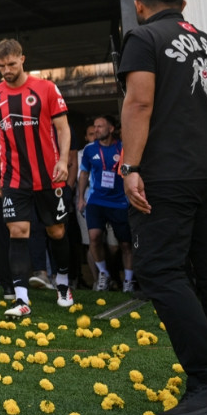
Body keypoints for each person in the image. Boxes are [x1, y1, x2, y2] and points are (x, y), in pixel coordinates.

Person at [118, 0, 207, 415]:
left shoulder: (143, 37)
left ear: (140, 5)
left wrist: (131, 167)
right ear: (184, 2)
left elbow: (139, 104)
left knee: (160, 270)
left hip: (172, 173)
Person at [0, 39, 73, 317]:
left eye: (11, 64)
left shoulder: (46, 88)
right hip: (14, 178)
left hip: (49, 175)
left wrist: (62, 160)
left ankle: (62, 283)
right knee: (17, 231)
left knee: (56, 231)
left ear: (23, 59)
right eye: (1, 66)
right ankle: (21, 299)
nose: (7, 70)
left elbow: (63, 128)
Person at [76, 115, 134, 293]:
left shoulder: (123, 148)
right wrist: (81, 198)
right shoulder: (89, 150)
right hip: (96, 200)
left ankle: (128, 280)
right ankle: (103, 274)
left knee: (124, 245)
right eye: (95, 127)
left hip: (119, 202)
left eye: (100, 126)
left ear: (110, 129)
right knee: (94, 237)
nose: (96, 130)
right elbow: (84, 173)